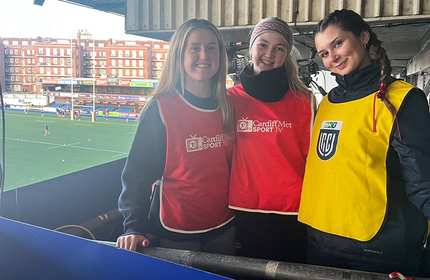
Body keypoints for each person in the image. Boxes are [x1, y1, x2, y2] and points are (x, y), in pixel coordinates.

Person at [298, 9, 430, 276]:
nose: (332, 57)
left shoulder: (402, 98)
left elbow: (421, 179)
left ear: (364, 37)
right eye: (324, 53)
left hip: (374, 248)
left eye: (338, 43)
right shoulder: (327, 102)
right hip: (321, 242)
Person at [116, 19, 235, 255]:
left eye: (212, 48)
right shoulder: (161, 108)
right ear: (179, 55)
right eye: (195, 48)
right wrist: (133, 227)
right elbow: (137, 174)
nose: (204, 55)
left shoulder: (229, 105)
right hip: (175, 232)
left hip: (224, 228)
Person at [228, 17, 315, 262]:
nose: (269, 54)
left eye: (280, 48)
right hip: (243, 210)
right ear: (251, 46)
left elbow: (312, 160)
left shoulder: (304, 101)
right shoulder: (229, 99)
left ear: (287, 55)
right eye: (263, 45)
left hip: (292, 212)